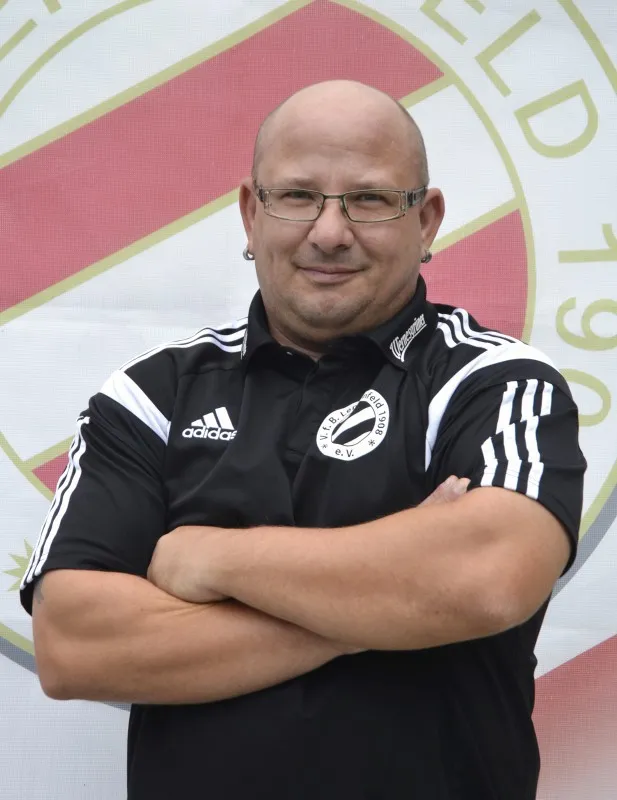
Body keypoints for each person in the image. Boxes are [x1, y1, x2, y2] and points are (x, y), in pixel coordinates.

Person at [21, 80, 586, 800]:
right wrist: (391, 607)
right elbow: (75, 646)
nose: (329, 232)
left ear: (427, 222)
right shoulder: (153, 395)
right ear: (250, 214)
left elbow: (487, 577)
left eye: (370, 200)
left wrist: (208, 556)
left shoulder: (494, 383)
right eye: (296, 196)